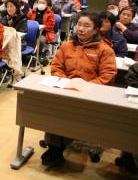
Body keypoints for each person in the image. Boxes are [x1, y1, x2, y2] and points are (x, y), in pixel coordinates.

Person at [42, 12, 116, 166]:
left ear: (96, 30)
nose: (81, 28)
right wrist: (66, 83)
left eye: (86, 25)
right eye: (79, 25)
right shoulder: (66, 45)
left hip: (90, 94)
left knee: (72, 114)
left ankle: (57, 147)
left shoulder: (104, 49)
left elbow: (108, 75)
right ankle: (55, 147)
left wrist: (86, 87)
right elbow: (56, 67)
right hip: (65, 90)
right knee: (52, 109)